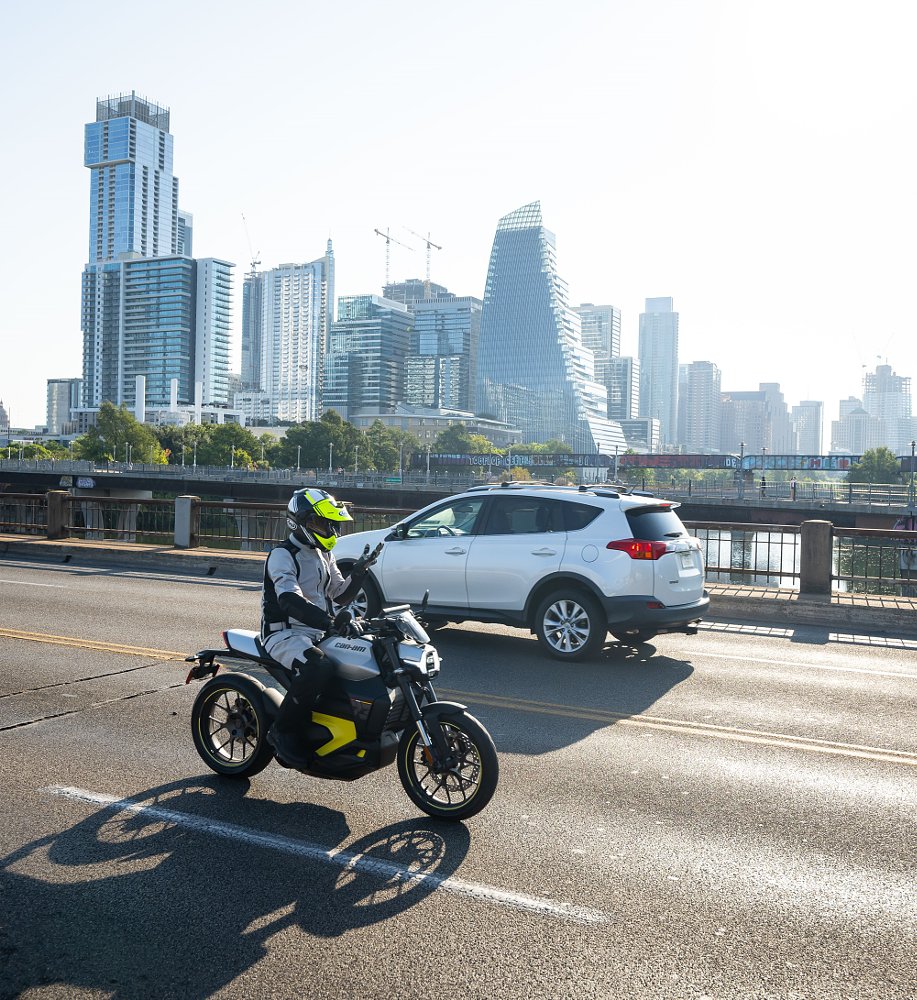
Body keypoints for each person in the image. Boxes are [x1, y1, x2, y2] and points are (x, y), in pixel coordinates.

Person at [261, 487, 382, 767]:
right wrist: (329, 622)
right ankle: (282, 732)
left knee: (363, 656)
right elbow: (289, 599)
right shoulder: (283, 555)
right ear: (300, 522)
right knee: (318, 666)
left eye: (331, 524)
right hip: (284, 634)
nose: (330, 530)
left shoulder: (322, 554)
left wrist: (360, 572)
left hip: (317, 632)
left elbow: (339, 594)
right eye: (322, 523)